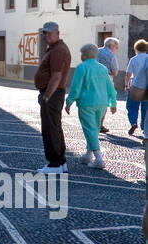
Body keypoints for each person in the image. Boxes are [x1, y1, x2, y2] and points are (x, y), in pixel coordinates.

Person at [65, 43, 117, 169]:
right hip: (102, 103)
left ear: (84, 55)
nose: (81, 56)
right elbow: (110, 87)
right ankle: (88, 155)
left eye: (82, 53)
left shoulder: (81, 67)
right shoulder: (102, 68)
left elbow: (76, 87)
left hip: (86, 103)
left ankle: (99, 158)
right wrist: (113, 103)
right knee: (94, 129)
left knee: (89, 129)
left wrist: (69, 101)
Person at [34, 21, 71, 175]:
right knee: (55, 128)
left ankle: (54, 164)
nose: (46, 36)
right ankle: (60, 162)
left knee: (50, 129)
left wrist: (47, 97)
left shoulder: (58, 51)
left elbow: (56, 76)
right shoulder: (56, 49)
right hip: (53, 94)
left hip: (52, 94)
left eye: (50, 33)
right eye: (45, 33)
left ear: (57, 33)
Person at [125, 38, 148, 138]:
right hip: (146, 87)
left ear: (136, 48)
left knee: (131, 106)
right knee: (145, 108)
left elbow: (128, 74)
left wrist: (127, 85)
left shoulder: (134, 59)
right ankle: (144, 127)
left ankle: (133, 122)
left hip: (135, 86)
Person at [96, 37, 120, 133]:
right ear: (111, 46)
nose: (117, 49)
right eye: (116, 47)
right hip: (106, 80)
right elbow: (115, 72)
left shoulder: (96, 51)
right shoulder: (111, 55)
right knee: (103, 102)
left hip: (92, 79)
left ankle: (93, 124)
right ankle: (99, 125)